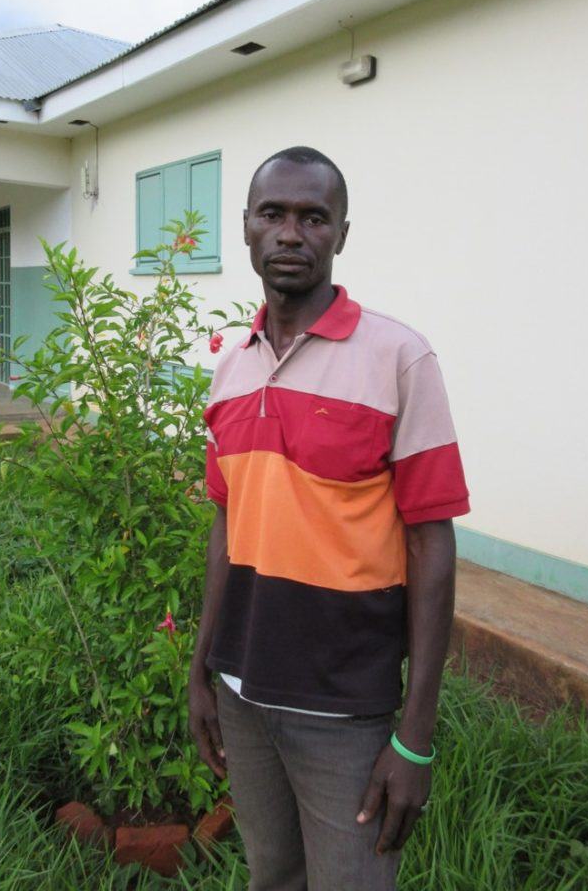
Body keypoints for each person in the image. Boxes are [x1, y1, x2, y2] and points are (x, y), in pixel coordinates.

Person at [188, 146, 469, 891]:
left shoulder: (399, 359)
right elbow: (227, 523)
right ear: (246, 228)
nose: (291, 233)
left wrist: (414, 737)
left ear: (341, 234)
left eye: (314, 217)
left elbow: (431, 544)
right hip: (244, 695)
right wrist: (200, 671)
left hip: (345, 708)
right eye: (273, 214)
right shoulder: (229, 367)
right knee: (272, 875)